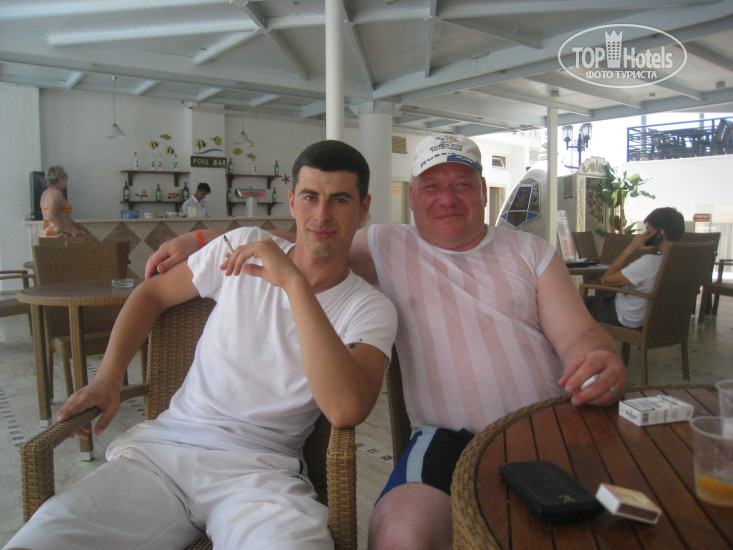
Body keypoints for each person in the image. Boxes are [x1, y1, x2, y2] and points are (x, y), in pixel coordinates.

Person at [143, 134, 627, 549]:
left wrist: (597, 356)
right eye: (432, 186)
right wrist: (203, 238)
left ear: (483, 192)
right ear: (412, 198)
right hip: (446, 439)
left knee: (621, 522)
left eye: (462, 184)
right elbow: (309, 236)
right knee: (398, 534)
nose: (447, 198)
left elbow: (578, 334)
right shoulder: (387, 244)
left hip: (547, 424)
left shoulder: (531, 251)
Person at [4, 140, 397, 550]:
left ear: (364, 208)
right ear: (292, 203)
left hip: (262, 474)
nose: (322, 215)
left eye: (339, 200)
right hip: (163, 455)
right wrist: (108, 377)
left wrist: (294, 285)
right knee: (50, 534)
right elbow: (151, 293)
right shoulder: (243, 246)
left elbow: (346, 409)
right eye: (310, 197)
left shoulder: (370, 308)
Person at [585, 207, 685, 328]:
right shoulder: (682, 262)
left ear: (660, 233)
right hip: (658, 320)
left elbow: (606, 280)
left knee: (579, 305)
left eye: (647, 230)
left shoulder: (649, 263)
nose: (644, 235)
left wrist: (631, 248)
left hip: (626, 316)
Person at [39, 165, 90, 238]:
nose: (67, 181)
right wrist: (71, 230)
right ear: (60, 179)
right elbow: (51, 216)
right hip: (57, 233)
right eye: (66, 178)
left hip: (47, 231)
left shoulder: (45, 193)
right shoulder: (56, 193)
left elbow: (60, 215)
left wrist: (75, 225)